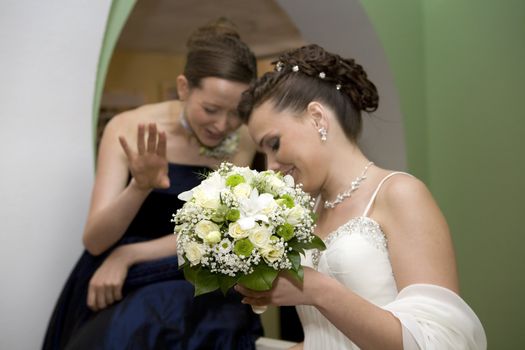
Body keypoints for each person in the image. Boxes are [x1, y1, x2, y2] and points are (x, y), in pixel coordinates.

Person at [235, 44, 487, 349]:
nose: (271, 166)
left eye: (273, 144)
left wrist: (318, 290)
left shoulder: (400, 194)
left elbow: (438, 342)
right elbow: (326, 337)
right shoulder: (304, 214)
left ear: (317, 118)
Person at [43, 19, 263, 350]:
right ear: (184, 88)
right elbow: (95, 240)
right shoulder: (128, 127)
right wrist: (140, 186)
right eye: (211, 109)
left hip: (190, 271)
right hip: (121, 282)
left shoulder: (243, 140)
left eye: (236, 114)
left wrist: (129, 254)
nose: (223, 125)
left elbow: (217, 232)